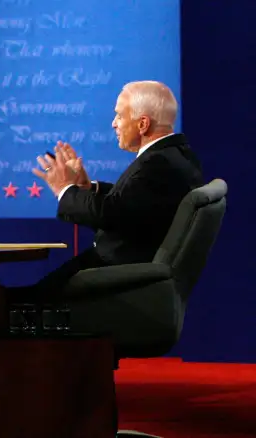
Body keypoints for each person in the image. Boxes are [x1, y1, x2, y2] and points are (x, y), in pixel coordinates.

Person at [11, 80, 204, 303]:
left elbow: (112, 214)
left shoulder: (158, 164)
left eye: (119, 116)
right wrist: (87, 187)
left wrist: (64, 188)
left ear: (142, 124)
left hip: (113, 278)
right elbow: (134, 205)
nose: (114, 124)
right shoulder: (176, 155)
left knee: (12, 304)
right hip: (116, 267)